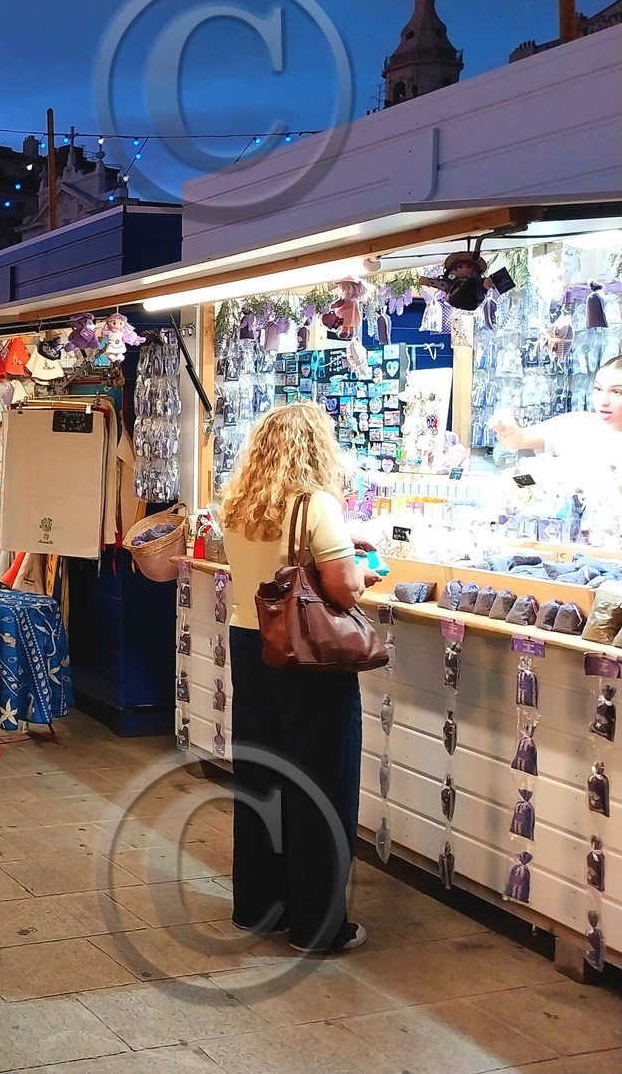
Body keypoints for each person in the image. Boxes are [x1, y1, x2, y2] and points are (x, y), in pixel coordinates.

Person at [219, 401, 374, 955]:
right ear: (317, 449)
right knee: (320, 784)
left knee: (262, 776)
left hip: (249, 642)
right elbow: (343, 588)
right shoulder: (316, 506)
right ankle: (318, 925)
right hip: (306, 656)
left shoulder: (237, 504)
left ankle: (259, 906)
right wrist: (367, 570)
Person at [491, 354, 622, 470]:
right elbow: (520, 439)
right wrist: (506, 429)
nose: (603, 401)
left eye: (616, 392)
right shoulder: (579, 425)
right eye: (598, 389)